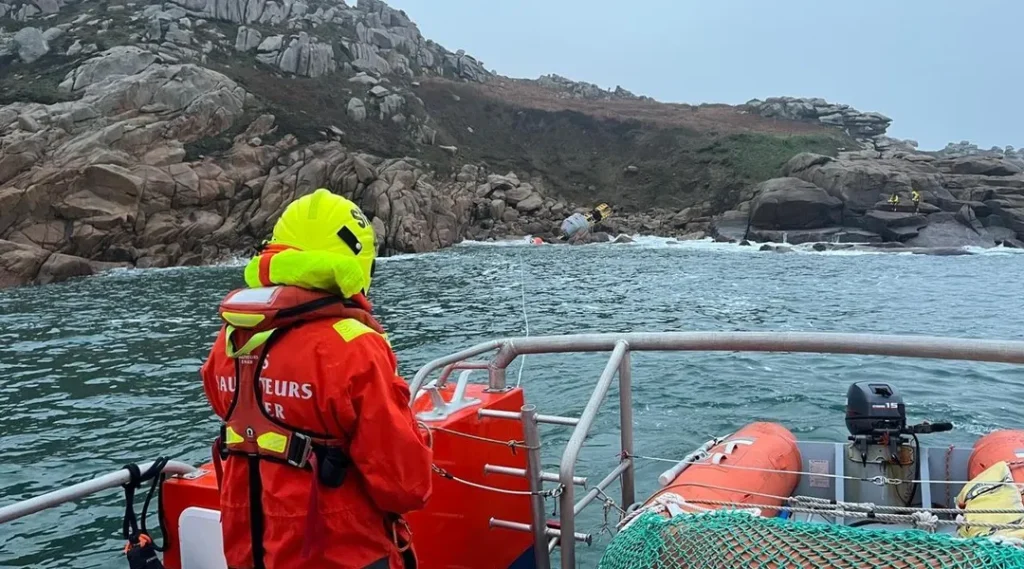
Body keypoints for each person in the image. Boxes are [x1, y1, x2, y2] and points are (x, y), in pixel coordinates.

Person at [199, 188, 433, 569]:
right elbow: (405, 487)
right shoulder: (354, 347)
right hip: (341, 555)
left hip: (248, 553)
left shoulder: (230, 340)